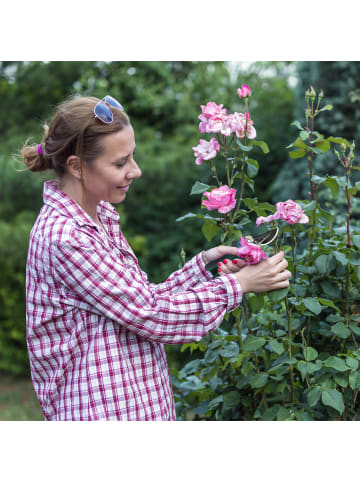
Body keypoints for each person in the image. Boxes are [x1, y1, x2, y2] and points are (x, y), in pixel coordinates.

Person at [23, 95, 291, 421]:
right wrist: (237, 286)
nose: (135, 171)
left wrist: (205, 264)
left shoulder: (98, 219)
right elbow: (150, 315)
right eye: (120, 163)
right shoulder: (67, 238)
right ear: (77, 166)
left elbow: (139, 300)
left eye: (131, 157)